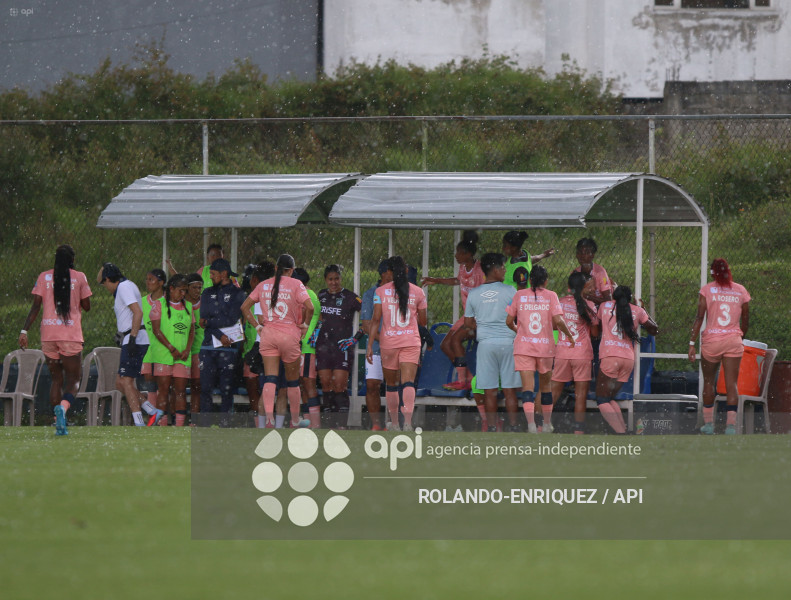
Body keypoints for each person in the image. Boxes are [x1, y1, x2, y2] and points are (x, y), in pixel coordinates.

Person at [19, 244, 91, 435]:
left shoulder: (44, 277)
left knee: (56, 378)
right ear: (72, 260)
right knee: (74, 379)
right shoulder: (79, 277)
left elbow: (35, 307)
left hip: (48, 335)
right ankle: (63, 409)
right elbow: (87, 305)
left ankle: (56, 420)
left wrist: (24, 331)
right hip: (70, 334)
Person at [241, 254, 314, 429]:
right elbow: (310, 307)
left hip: (268, 335)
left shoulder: (263, 285)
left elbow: (244, 307)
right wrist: (304, 325)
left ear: (276, 268)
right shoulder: (296, 284)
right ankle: (295, 419)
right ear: (292, 270)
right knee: (292, 382)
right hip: (289, 335)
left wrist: (258, 327)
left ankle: (268, 419)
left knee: (270, 379)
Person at [506, 265, 573, 434]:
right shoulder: (552, 296)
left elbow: (508, 321)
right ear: (546, 281)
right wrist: (569, 336)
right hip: (545, 349)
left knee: (527, 389)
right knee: (545, 388)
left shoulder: (519, 295)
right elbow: (558, 321)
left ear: (529, 280)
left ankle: (530, 425)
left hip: (523, 348)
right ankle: (547, 423)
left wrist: (519, 331)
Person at [688, 258, 751, 435]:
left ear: (712, 272)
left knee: (709, 382)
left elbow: (699, 317)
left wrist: (692, 344)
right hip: (733, 341)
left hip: (711, 342)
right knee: (732, 384)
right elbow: (745, 320)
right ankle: (731, 427)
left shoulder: (707, 290)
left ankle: (709, 425)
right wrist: (739, 337)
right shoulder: (740, 291)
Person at [97, 262, 164, 426]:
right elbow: (130, 314)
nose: (105, 287)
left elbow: (138, 312)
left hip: (135, 339)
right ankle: (152, 411)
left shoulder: (124, 287)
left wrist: (132, 337)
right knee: (120, 383)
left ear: (108, 279)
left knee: (126, 382)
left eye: (104, 283)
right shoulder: (125, 286)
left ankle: (139, 422)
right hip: (132, 337)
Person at [366, 256, 427, 432]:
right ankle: (408, 422)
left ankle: (394, 423)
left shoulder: (380, 292)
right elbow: (423, 321)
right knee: (408, 382)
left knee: (391, 384)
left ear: (390, 272)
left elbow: (375, 319)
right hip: (410, 342)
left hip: (388, 343)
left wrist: (370, 345)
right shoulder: (418, 292)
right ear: (406, 271)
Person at [463, 253, 522, 432]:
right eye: (503, 267)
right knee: (510, 389)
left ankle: (491, 428)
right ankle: (513, 427)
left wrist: (482, 324)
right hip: (508, 343)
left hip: (486, 345)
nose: (505, 270)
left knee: (489, 390)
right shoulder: (511, 291)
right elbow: (517, 316)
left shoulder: (473, 294)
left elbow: (468, 324)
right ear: (495, 270)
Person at [421, 230, 484, 390]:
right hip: (467, 316)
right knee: (444, 345)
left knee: (455, 341)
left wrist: (476, 320)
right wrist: (436, 280)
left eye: (459, 252)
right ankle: (468, 377)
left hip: (479, 318)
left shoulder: (480, 270)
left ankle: (463, 381)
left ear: (468, 254)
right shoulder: (463, 268)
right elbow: (457, 280)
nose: (456, 255)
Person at [595, 285, 658, 434]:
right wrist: (642, 309)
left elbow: (596, 328)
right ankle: (623, 429)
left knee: (601, 400)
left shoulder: (605, 306)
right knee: (609, 398)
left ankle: (620, 433)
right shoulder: (637, 311)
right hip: (628, 360)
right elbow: (654, 329)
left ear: (615, 296)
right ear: (630, 298)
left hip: (610, 356)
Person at [551, 272, 600, 435]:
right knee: (581, 395)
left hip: (563, 352)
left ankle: (541, 424)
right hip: (582, 354)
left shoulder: (560, 302)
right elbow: (594, 333)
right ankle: (578, 431)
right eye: (590, 286)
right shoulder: (590, 306)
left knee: (554, 391)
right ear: (583, 287)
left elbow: (554, 325)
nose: (592, 289)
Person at [198, 258, 246, 418]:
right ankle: (205, 424)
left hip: (228, 347)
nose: (210, 277)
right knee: (205, 388)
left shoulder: (238, 294)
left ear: (224, 274)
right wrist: (220, 334)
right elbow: (202, 319)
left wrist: (210, 322)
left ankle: (225, 423)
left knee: (227, 389)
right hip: (207, 347)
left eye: (213, 274)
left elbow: (231, 319)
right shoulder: (206, 293)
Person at [315, 265, 362, 428]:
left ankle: (342, 426)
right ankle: (328, 425)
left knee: (339, 385)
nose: (334, 282)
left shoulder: (350, 297)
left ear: (340, 278)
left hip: (342, 348)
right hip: (323, 347)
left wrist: (357, 337)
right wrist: (313, 338)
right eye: (330, 279)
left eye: (336, 278)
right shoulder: (320, 296)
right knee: (326, 385)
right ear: (325, 280)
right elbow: (316, 319)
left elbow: (368, 313)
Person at [149, 274, 195, 427]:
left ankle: (179, 426)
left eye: (185, 291)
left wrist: (187, 349)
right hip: (164, 355)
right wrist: (171, 348)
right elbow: (156, 330)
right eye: (181, 291)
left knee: (180, 391)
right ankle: (162, 426)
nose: (183, 294)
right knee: (163, 391)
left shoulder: (188, 306)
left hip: (183, 356)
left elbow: (192, 330)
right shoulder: (159, 305)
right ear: (171, 289)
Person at [361, 260, 393, 430]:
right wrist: (384, 340)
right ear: (384, 273)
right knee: (372, 385)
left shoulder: (400, 292)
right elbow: (366, 325)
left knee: (393, 386)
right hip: (375, 348)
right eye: (392, 271)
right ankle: (376, 425)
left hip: (395, 348)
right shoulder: (370, 294)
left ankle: (392, 423)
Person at [293, 267, 322, 428]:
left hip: (306, 346)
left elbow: (302, 320)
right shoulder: (311, 295)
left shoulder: (307, 296)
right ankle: (307, 421)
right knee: (303, 384)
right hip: (304, 345)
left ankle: (315, 424)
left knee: (308, 383)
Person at [140, 269, 167, 422]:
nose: (148, 282)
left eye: (151, 279)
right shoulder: (142, 301)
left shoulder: (168, 303)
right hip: (148, 351)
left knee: (165, 387)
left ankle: (164, 422)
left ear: (161, 283)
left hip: (165, 350)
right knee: (151, 385)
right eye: (147, 279)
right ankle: (153, 421)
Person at [184, 273, 204, 418]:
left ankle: (194, 418)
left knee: (196, 385)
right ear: (187, 288)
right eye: (194, 287)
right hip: (182, 350)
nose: (197, 290)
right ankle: (176, 418)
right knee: (178, 386)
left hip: (199, 350)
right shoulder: (181, 304)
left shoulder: (205, 304)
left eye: (200, 287)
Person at [573, 237, 613, 305]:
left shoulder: (601, 273)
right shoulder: (575, 273)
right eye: (579, 252)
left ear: (592, 255)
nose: (581, 256)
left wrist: (587, 297)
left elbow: (608, 300)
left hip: (599, 309)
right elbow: (572, 293)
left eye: (586, 253)